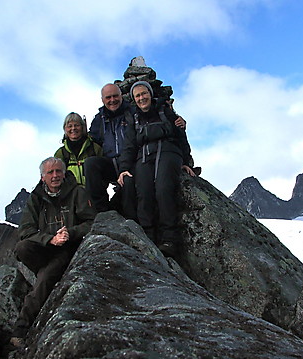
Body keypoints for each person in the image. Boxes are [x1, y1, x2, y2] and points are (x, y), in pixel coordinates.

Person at [10, 157, 96, 348]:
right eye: (50, 172)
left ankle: (21, 330)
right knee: (21, 248)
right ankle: (44, 275)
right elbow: (25, 230)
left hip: (67, 249)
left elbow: (91, 222)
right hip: (45, 248)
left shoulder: (77, 193)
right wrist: (49, 239)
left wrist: (69, 233)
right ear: (43, 177)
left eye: (58, 171)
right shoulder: (36, 199)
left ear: (64, 174)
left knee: (45, 278)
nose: (55, 175)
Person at [117, 81, 195, 258]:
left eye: (144, 93)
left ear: (150, 94)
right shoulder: (133, 118)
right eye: (137, 96)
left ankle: (169, 239)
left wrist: (187, 162)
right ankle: (148, 236)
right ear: (134, 99)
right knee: (144, 192)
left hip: (168, 151)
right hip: (144, 155)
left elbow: (181, 135)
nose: (141, 98)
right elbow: (129, 146)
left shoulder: (165, 112)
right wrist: (124, 169)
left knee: (163, 190)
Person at [85, 83, 187, 218]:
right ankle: (102, 214)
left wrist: (177, 120)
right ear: (102, 100)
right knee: (91, 164)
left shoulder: (133, 111)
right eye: (108, 97)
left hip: (132, 160)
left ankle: (132, 224)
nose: (112, 100)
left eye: (115, 96)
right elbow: (91, 140)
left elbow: (153, 115)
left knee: (128, 182)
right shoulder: (99, 119)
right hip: (111, 162)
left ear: (122, 96)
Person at [54, 112, 102, 186]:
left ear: (82, 127)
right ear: (65, 129)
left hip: (94, 194)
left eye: (76, 125)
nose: (73, 128)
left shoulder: (95, 148)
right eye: (70, 126)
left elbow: (104, 172)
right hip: (71, 195)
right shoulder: (61, 153)